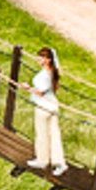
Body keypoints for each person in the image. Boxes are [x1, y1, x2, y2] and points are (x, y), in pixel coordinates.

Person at [26, 45, 68, 173]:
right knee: (54, 135)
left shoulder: (46, 74)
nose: (38, 58)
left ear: (48, 60)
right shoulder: (53, 72)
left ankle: (42, 160)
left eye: (41, 56)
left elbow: (40, 92)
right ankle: (60, 163)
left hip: (43, 107)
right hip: (53, 106)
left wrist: (27, 88)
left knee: (42, 134)